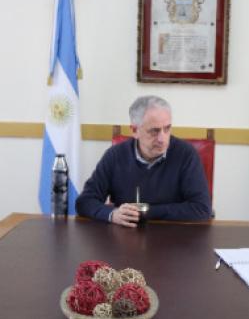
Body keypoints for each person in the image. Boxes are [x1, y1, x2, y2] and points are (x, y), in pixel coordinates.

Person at [76, 95, 212, 227]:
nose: (162, 139)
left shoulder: (186, 154)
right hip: (126, 239)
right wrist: (112, 214)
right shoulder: (115, 155)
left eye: (167, 129)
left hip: (174, 240)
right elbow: (84, 202)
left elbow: (201, 209)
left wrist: (144, 212)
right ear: (135, 130)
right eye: (154, 131)